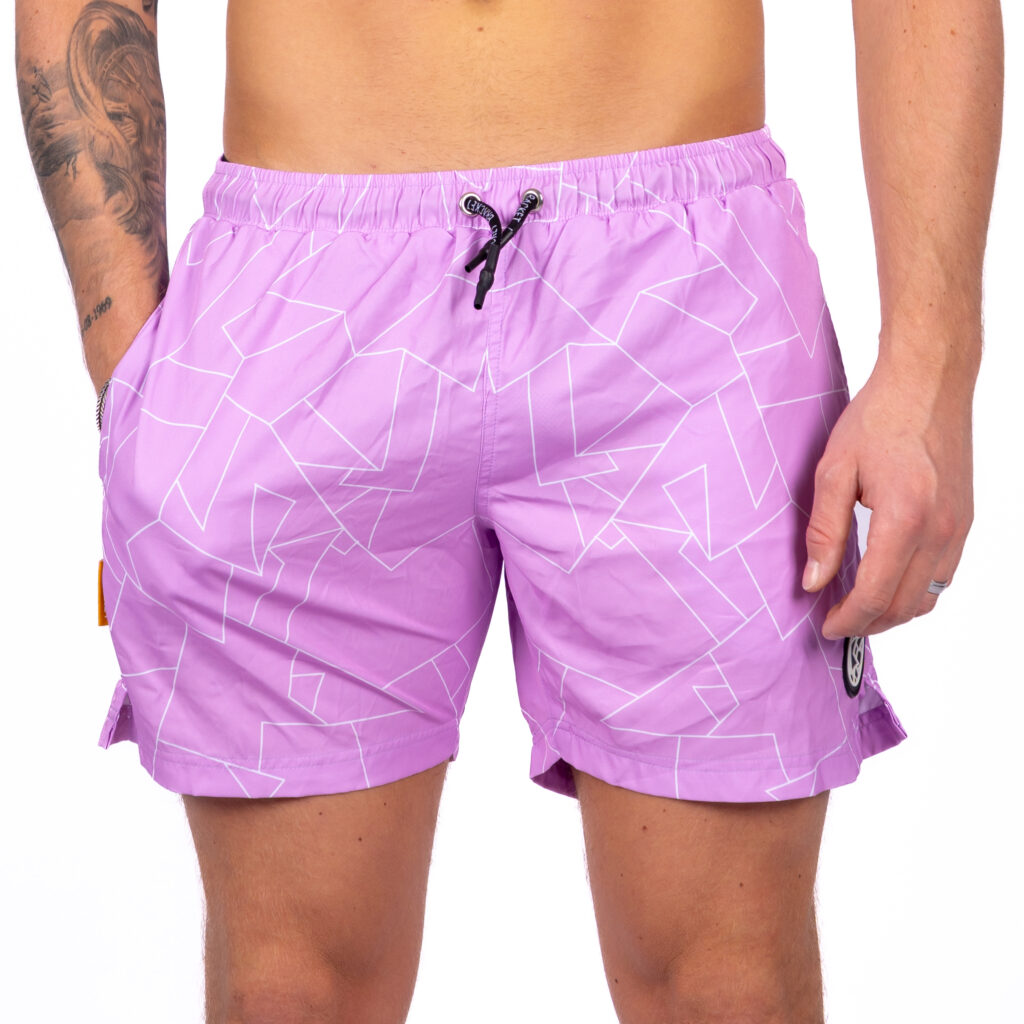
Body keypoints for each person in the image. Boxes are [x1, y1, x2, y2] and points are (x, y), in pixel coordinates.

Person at [14, 1, 1003, 1021]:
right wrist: (130, 369)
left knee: (726, 991)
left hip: (681, 293)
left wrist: (932, 367)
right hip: (295, 298)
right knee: (290, 995)